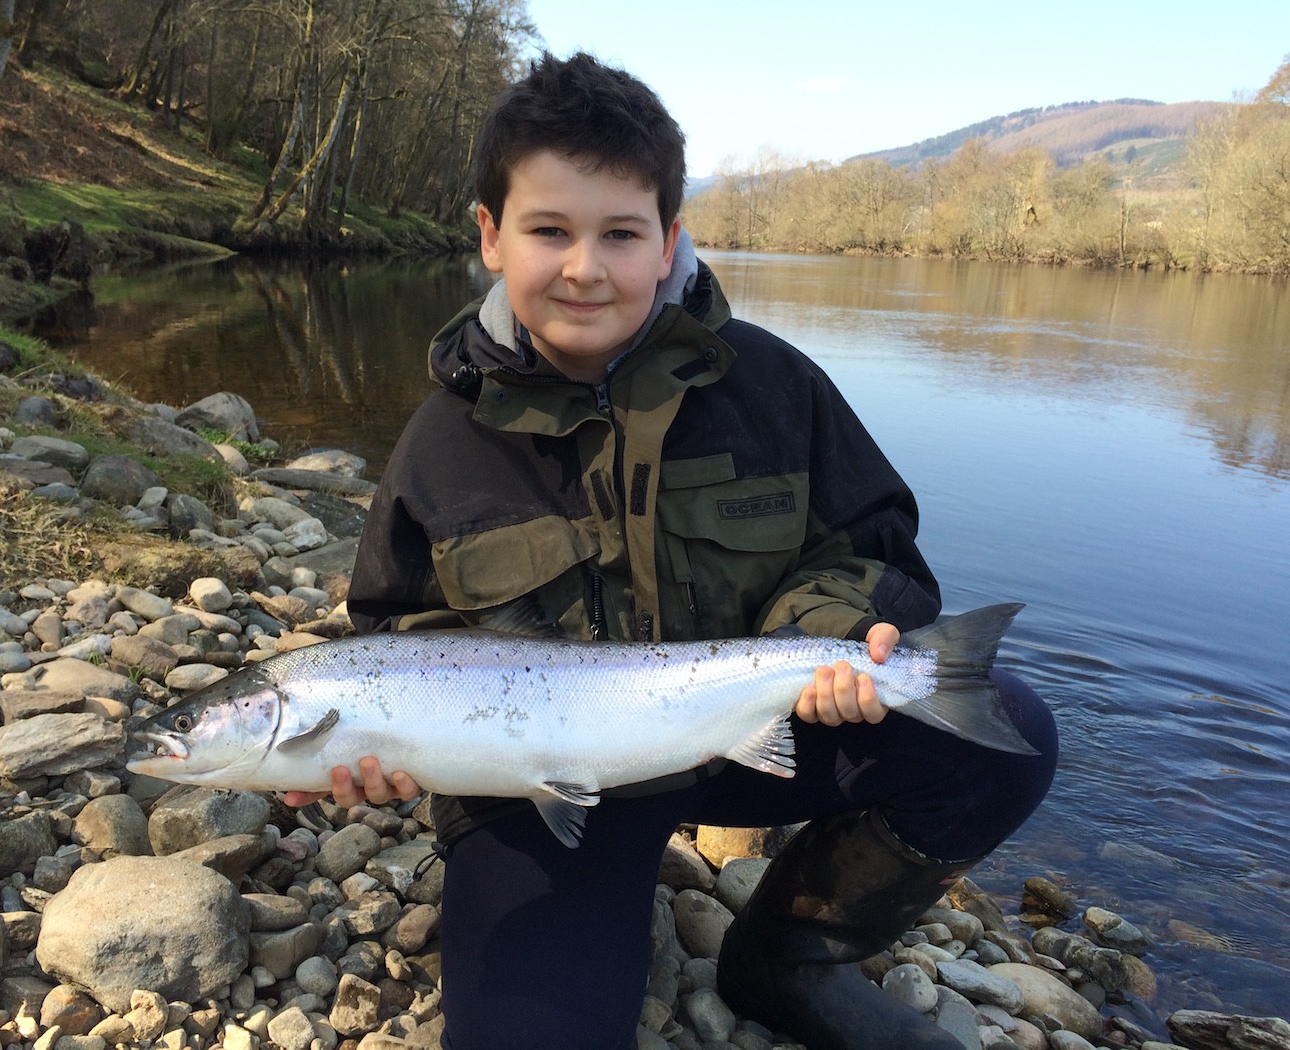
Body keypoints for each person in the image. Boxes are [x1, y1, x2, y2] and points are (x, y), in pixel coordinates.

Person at [285, 51, 1058, 1050]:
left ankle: (788, 952)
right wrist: (386, 751)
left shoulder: (775, 387)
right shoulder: (443, 441)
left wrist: (825, 643)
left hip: (743, 726)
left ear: (668, 242)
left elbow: (874, 548)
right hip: (531, 784)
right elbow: (394, 625)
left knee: (1007, 734)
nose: (583, 267)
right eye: (548, 231)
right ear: (489, 237)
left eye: (619, 233)